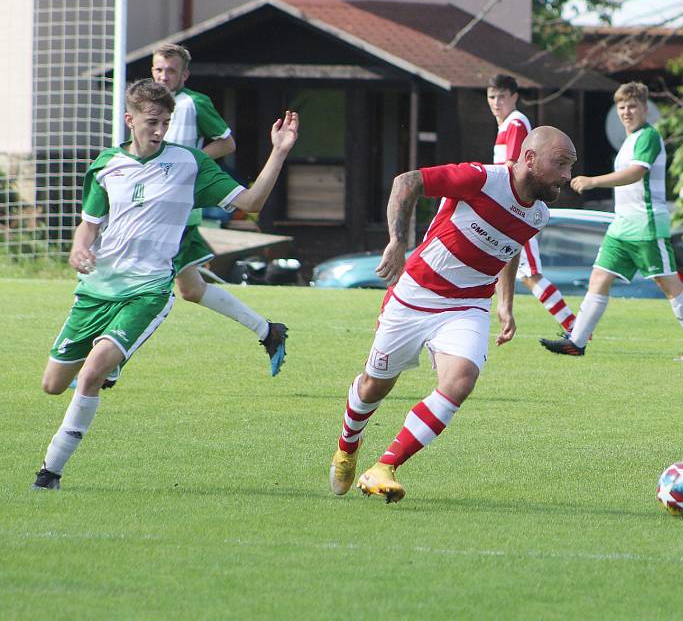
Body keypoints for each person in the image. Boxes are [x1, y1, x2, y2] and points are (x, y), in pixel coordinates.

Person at [32, 80, 299, 490]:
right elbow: (88, 226)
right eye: (152, 122)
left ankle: (49, 473)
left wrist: (278, 152)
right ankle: (111, 360)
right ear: (130, 120)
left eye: (166, 122)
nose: (160, 131)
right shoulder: (105, 166)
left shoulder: (189, 163)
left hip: (148, 291)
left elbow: (251, 203)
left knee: (90, 376)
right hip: (96, 291)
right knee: (52, 385)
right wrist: (78, 251)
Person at [328, 126, 577, 503]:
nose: (567, 176)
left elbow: (511, 246)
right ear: (529, 158)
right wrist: (397, 242)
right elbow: (407, 181)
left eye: (570, 167)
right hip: (416, 294)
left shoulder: (538, 215)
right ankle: (347, 447)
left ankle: (385, 466)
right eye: (561, 164)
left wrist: (506, 303)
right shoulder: (481, 179)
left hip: (468, 306)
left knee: (460, 380)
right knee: (374, 385)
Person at [539, 81, 683, 361]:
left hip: (646, 225)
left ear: (645, 108)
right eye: (621, 106)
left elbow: (635, 174)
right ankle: (577, 341)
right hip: (622, 226)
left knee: (667, 283)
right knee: (598, 277)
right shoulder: (629, 141)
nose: (626, 111)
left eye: (632, 106)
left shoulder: (648, 136)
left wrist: (593, 180)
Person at [152, 43, 287, 377]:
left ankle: (103, 366)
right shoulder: (148, 105)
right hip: (156, 205)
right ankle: (268, 331)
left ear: (184, 74)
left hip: (178, 208)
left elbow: (227, 142)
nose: (163, 76)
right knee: (191, 290)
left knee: (144, 286)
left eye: (170, 70)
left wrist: (187, 162)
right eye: (158, 69)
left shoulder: (194, 103)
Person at [487, 74, 576, 333]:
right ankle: (575, 326)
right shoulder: (506, 125)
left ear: (514, 97)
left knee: (530, 274)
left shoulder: (516, 122)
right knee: (517, 272)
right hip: (509, 205)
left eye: (501, 96)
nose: (496, 102)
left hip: (516, 206)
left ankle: (575, 327)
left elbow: (512, 165)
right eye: (492, 96)